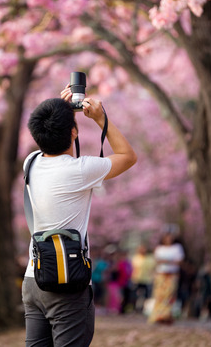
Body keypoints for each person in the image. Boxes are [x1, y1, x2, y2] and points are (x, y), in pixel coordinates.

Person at [22, 85, 137, 347]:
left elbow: (50, 143)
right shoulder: (81, 171)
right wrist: (100, 118)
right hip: (66, 282)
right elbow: (128, 156)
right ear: (73, 133)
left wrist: (58, 110)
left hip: (33, 279)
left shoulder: (30, 162)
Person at [148, 232, 185, 324]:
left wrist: (165, 261)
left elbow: (179, 261)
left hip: (172, 274)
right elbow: (157, 260)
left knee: (169, 295)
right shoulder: (159, 248)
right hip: (161, 274)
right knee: (160, 295)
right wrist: (171, 261)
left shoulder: (177, 248)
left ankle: (167, 315)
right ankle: (158, 315)